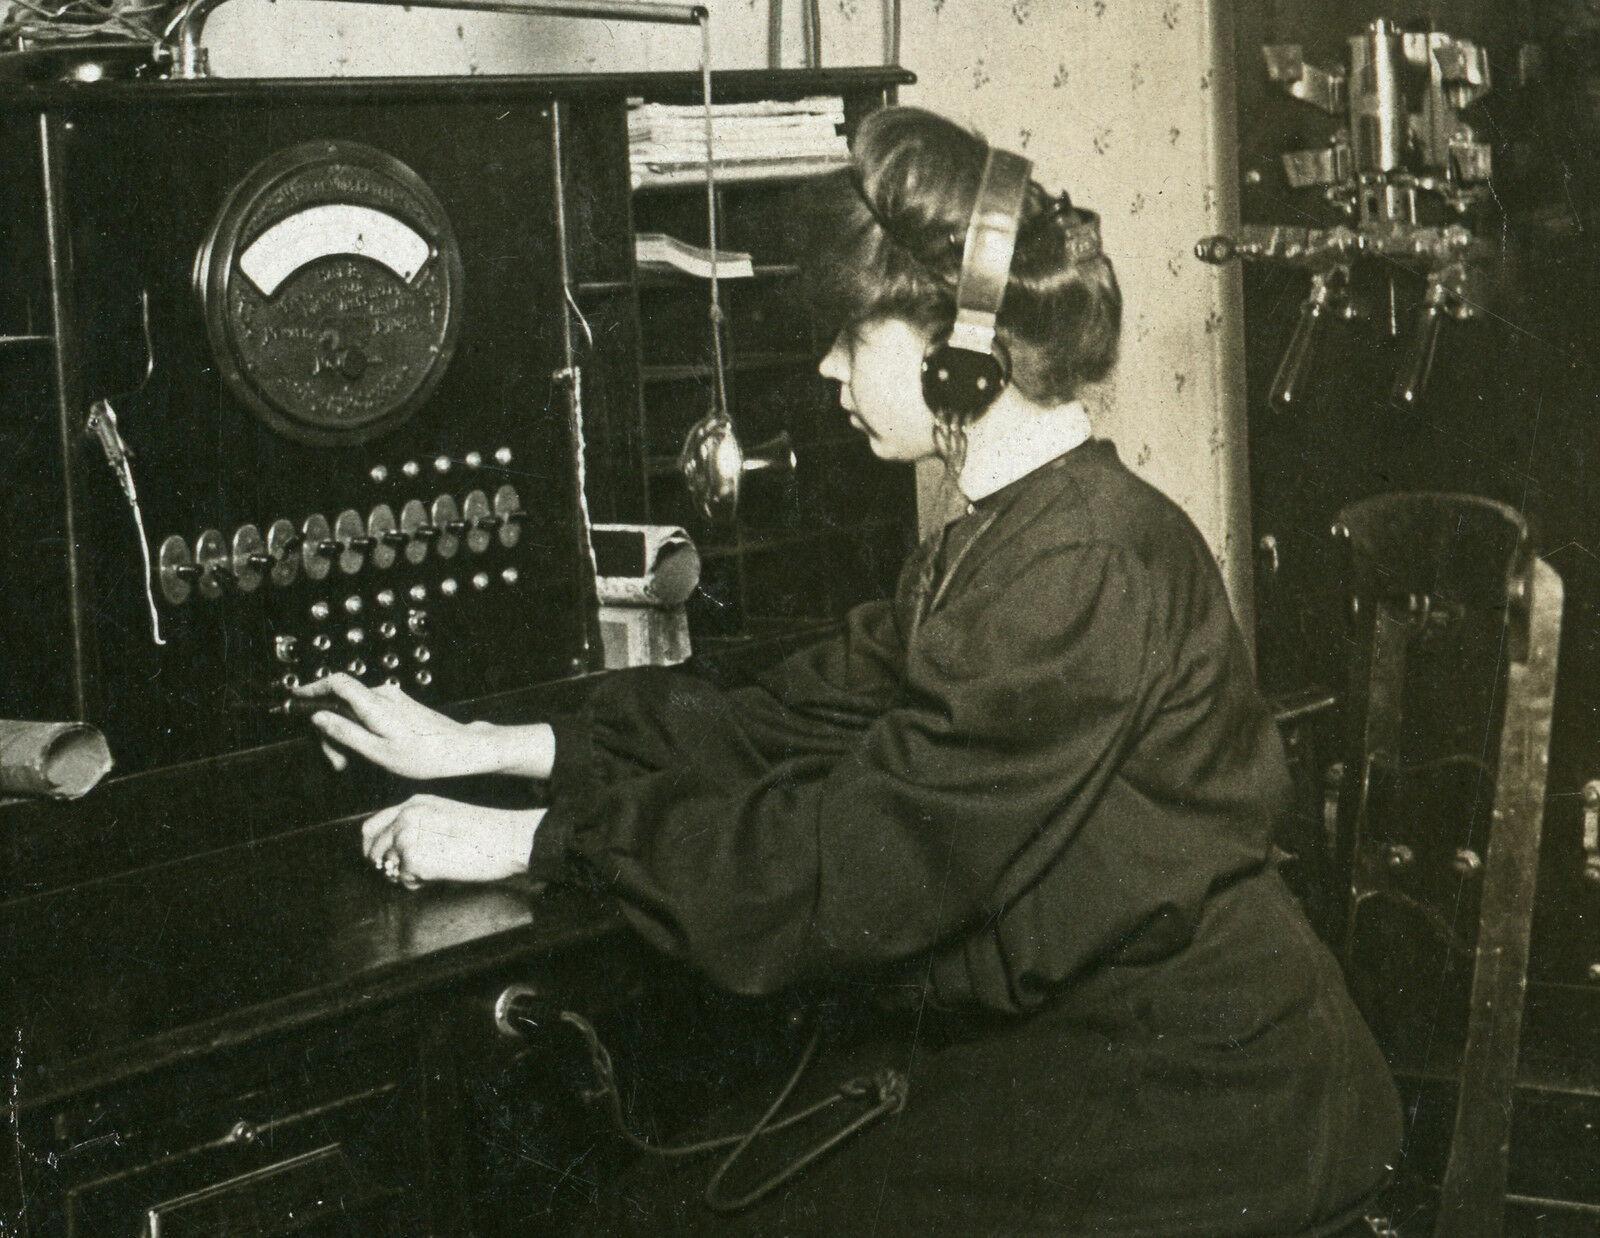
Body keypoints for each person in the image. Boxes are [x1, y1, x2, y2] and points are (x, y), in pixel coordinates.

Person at [297, 106, 1402, 1236]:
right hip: (1106, 1050)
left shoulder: (1079, 566)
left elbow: (854, 868)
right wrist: (490, 747)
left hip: (1210, 1089)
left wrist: (536, 841)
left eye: (849, 334)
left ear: (957, 357)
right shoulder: (1009, 537)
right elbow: (783, 717)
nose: (826, 364)